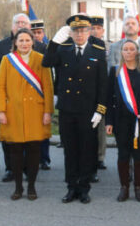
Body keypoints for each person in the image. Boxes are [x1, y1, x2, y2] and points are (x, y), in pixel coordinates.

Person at [43, 14, 107, 204]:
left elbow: (103, 83)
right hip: (68, 109)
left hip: (88, 110)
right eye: (76, 31)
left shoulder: (97, 50)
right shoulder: (63, 50)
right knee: (70, 151)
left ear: (89, 32)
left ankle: (84, 188)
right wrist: (54, 42)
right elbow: (46, 62)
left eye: (83, 30)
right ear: (70, 33)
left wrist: (100, 110)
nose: (79, 34)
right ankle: (71, 187)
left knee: (87, 150)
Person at [0, 29, 54, 200]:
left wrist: (48, 111)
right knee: (15, 151)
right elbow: (0, 87)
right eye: (21, 40)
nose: (24, 43)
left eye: (27, 40)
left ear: (32, 42)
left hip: (36, 112)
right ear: (15, 42)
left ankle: (32, 187)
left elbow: (48, 87)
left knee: (34, 151)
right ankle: (18, 187)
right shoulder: (7, 60)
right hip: (14, 112)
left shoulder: (41, 59)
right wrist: (0, 111)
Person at [0, 13, 46, 183]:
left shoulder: (41, 48)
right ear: (12, 26)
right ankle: (11, 169)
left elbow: (48, 79)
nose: (21, 25)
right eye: (17, 23)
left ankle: (30, 169)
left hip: (34, 103)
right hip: (9, 103)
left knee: (31, 139)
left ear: (30, 27)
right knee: (10, 139)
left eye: (24, 23)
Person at [106, 40, 140, 202]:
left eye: (132, 49)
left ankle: (138, 188)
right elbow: (108, 98)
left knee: (139, 154)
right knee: (123, 154)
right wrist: (109, 122)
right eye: (125, 49)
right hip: (120, 119)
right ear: (121, 52)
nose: (128, 52)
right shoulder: (115, 71)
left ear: (137, 51)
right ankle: (124, 187)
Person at [31, 19, 53, 171]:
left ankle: (44, 158)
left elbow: (51, 73)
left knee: (43, 128)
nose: (37, 35)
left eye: (39, 32)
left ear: (43, 34)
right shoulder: (25, 47)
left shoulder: (46, 49)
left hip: (41, 93)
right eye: (34, 33)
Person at [90, 16, 108, 172]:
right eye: (92, 28)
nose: (95, 31)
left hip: (104, 90)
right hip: (88, 92)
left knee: (101, 126)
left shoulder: (108, 46)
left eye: (98, 28)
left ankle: (100, 157)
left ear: (103, 30)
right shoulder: (85, 44)